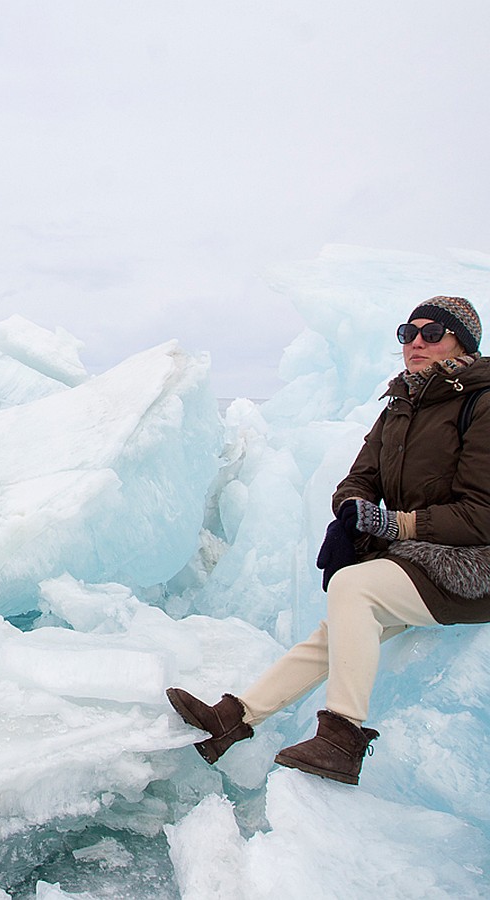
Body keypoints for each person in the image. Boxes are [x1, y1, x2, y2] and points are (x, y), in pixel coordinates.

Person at [167, 296, 490, 785]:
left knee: (354, 589)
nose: (416, 343)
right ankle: (231, 720)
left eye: (432, 334)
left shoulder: (481, 403)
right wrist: (350, 515)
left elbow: (482, 515)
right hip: (417, 558)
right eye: (408, 333)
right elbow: (357, 479)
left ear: (461, 343)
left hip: (472, 565)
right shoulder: (400, 406)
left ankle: (341, 738)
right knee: (335, 631)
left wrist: (393, 525)